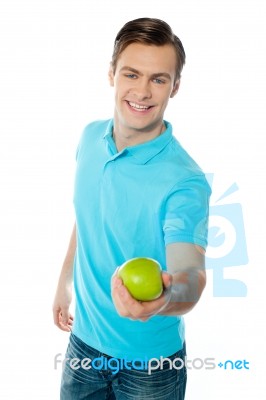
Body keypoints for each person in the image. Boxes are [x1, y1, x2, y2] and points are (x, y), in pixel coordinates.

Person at [53, 17, 211, 399]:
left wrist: (163, 301)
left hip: (151, 366)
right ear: (112, 74)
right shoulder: (90, 138)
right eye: (132, 74)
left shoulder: (184, 181)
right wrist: (64, 282)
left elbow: (190, 273)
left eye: (158, 79)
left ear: (175, 86)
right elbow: (89, 215)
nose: (142, 91)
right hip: (83, 346)